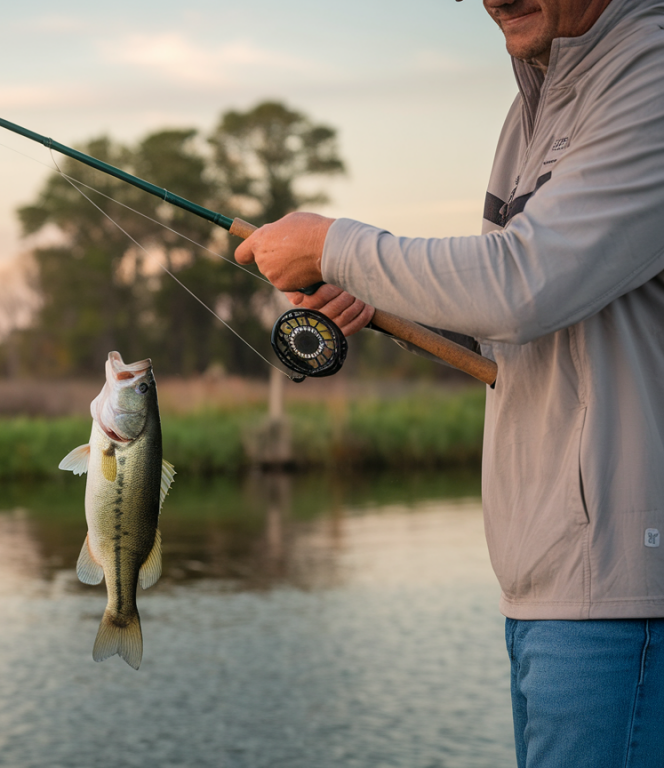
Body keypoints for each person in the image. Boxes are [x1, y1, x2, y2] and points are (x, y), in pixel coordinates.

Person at [235, 1, 664, 766]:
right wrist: (379, 297)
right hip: (544, 586)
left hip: (627, 594)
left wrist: (333, 244)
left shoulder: (650, 74)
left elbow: (525, 282)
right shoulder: (531, 104)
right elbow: (505, 323)